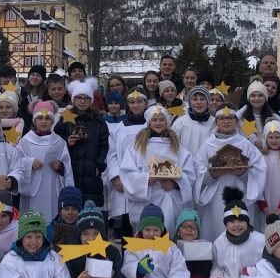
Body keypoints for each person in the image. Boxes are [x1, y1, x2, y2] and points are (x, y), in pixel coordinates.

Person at [119, 105, 196, 234]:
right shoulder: (137, 148)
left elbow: (189, 174)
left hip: (170, 199)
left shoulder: (177, 148)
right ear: (149, 123)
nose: (158, 123)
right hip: (146, 200)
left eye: (162, 119)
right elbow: (127, 173)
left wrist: (175, 184)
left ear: (167, 122)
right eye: (154, 120)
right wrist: (147, 180)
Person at [195, 107, 266, 242]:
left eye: (230, 118)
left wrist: (243, 174)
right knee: (216, 230)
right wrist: (212, 175)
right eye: (222, 118)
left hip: (241, 193)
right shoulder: (207, 145)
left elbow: (260, 170)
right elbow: (198, 172)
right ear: (216, 122)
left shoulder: (246, 144)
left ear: (236, 121)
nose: (226, 121)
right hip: (216, 197)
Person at [204, 187, 264, 278]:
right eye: (232, 221)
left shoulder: (259, 241)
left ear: (247, 221)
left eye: (240, 221)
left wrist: (252, 271)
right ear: (226, 224)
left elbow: (268, 265)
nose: (236, 225)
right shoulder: (220, 242)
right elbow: (217, 265)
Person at [9, 102, 74, 218]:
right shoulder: (25, 141)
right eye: (39, 118)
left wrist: (60, 166)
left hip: (52, 189)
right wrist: (29, 162)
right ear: (34, 121)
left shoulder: (59, 142)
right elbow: (16, 162)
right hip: (32, 189)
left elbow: (67, 166)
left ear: (52, 121)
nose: (43, 122)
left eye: (47, 118)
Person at [103, 88, 148, 240]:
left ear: (146, 103)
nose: (136, 105)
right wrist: (116, 177)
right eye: (132, 102)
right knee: (125, 231)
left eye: (139, 101)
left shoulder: (152, 125)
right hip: (123, 184)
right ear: (127, 105)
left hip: (146, 182)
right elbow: (112, 154)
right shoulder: (120, 128)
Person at [55, 81, 109, 205]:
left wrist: (99, 165)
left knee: (91, 208)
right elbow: (55, 140)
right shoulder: (65, 119)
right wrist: (67, 142)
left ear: (91, 100)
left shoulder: (98, 121)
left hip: (92, 174)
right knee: (71, 208)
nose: (82, 101)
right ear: (74, 99)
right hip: (71, 171)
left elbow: (105, 144)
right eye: (79, 98)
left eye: (86, 98)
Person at [174, 208, 211, 278]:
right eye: (185, 226)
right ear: (178, 231)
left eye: (193, 227)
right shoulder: (173, 247)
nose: (189, 230)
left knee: (204, 261)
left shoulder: (203, 247)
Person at [171, 85, 216, 155]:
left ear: (208, 102)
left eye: (202, 99)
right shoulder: (180, 123)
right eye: (195, 99)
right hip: (185, 164)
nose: (199, 102)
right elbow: (173, 146)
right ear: (190, 103)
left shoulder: (215, 123)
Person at [237, 81, 277, 146]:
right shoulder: (240, 119)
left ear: (265, 98)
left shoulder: (274, 118)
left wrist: (264, 143)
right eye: (253, 96)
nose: (256, 98)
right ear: (249, 98)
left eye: (260, 95)